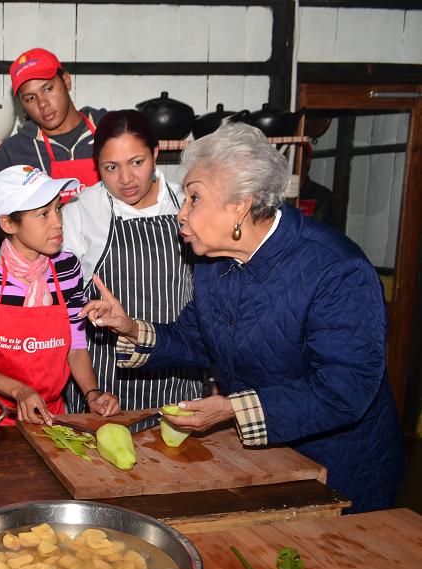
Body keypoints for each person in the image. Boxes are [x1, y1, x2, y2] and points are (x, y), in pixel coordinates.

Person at [82, 122, 404, 512]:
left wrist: (234, 408)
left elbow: (345, 387)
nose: (180, 216)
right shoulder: (214, 264)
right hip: (266, 454)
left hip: (340, 468)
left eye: (194, 199)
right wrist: (130, 328)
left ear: (241, 204)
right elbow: (195, 338)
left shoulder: (336, 270)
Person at [62, 110, 202, 412]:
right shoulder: (82, 210)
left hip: (177, 377)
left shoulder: (187, 203)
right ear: (97, 167)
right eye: (111, 167)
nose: (125, 180)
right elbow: (66, 306)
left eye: (136, 163)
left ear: (155, 154)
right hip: (104, 382)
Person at [0, 166, 119, 425]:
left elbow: (75, 345)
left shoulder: (67, 268)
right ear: (9, 223)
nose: (58, 221)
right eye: (43, 214)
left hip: (53, 417)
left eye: (58, 208)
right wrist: (18, 390)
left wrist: (92, 394)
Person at [0, 48, 107, 251]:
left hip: (112, 261)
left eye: (48, 88)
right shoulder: (12, 154)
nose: (43, 103)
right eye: (30, 98)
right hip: (49, 272)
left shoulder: (110, 131)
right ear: (21, 105)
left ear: (66, 81)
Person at [297, 141, 333, 226]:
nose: (292, 163)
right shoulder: (274, 194)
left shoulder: (322, 196)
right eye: (287, 157)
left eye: (297, 157)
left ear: (307, 161)